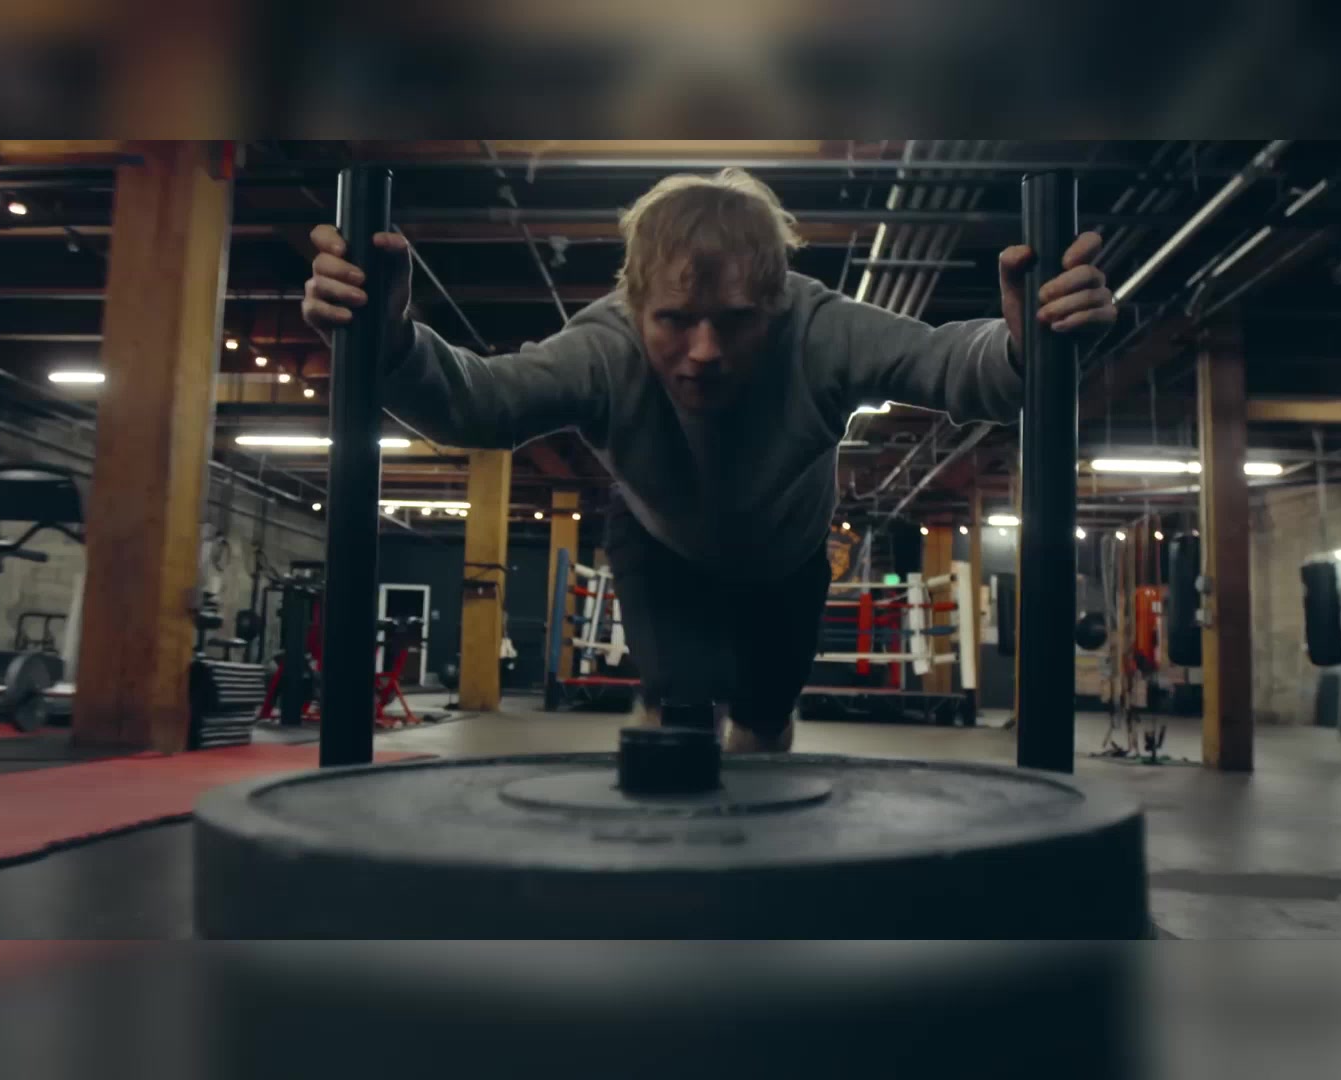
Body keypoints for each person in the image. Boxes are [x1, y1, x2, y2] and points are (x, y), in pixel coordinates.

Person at [303, 167, 1115, 751]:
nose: (703, 351)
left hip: (790, 559)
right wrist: (390, 339)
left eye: (733, 320)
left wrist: (1027, 342)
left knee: (761, 730)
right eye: (674, 320)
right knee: (680, 718)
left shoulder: (821, 329)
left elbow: (949, 364)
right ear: (634, 304)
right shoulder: (605, 345)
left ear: (776, 302)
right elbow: (481, 403)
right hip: (659, 547)